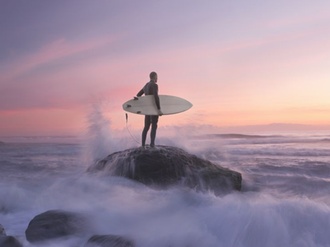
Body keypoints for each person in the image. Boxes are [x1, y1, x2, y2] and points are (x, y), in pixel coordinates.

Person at [136, 71, 163, 147]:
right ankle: (152, 145)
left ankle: (143, 145)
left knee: (146, 127)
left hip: (147, 110)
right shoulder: (154, 85)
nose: (157, 78)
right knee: (154, 125)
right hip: (153, 109)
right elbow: (156, 97)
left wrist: (142, 105)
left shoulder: (146, 86)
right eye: (157, 77)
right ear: (154, 77)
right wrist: (159, 109)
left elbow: (138, 95)